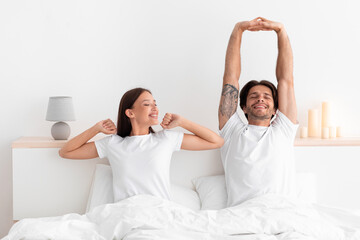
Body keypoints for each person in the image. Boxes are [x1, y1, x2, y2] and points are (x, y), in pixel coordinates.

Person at [59, 87, 224, 203]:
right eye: (147, 104)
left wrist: (182, 122)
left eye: (155, 103)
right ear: (130, 113)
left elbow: (216, 141)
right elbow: (66, 152)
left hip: (160, 212)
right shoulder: (113, 143)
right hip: (127, 212)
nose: (155, 108)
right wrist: (96, 129)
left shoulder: (165, 139)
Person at [218, 17, 298, 207]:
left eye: (266, 96)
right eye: (253, 96)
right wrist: (238, 30)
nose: (260, 99)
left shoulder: (283, 130)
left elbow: (286, 80)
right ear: (243, 107)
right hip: (242, 214)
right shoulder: (232, 131)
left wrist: (281, 31)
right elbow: (230, 78)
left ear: (275, 109)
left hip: (282, 212)